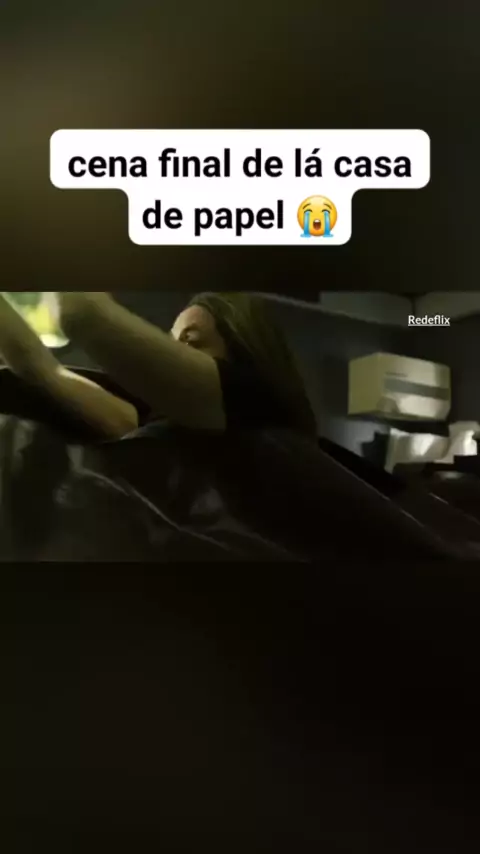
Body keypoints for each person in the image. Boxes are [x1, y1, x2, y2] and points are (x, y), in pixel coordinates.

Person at [0, 291, 318, 443]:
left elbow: (79, 313)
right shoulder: (157, 430)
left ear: (243, 350)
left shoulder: (258, 408)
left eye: (190, 343)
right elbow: (39, 366)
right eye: (170, 342)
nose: (173, 355)